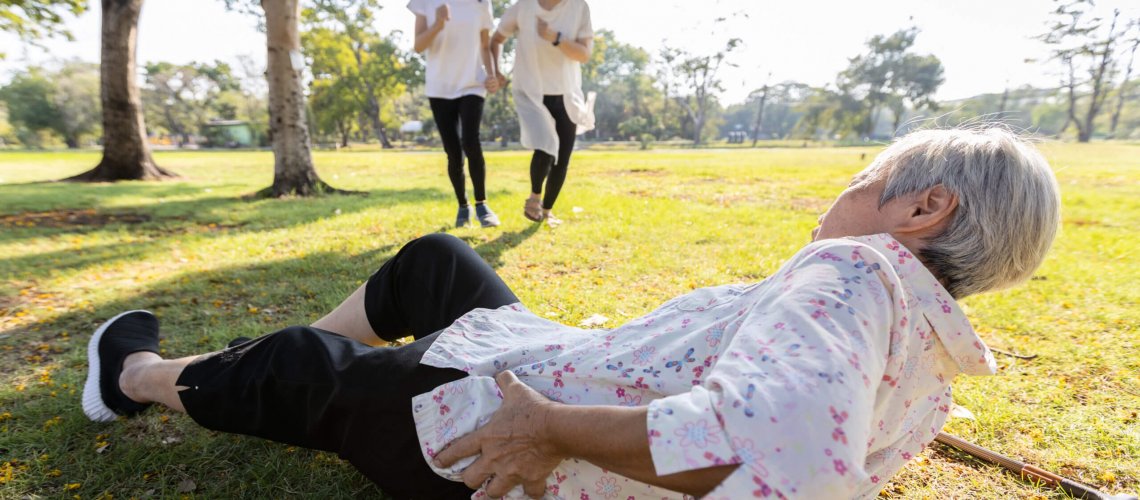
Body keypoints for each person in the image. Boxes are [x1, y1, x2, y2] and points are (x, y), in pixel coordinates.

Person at [82, 128, 1061, 499]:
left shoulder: (854, 270)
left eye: (869, 176)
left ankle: (129, 379)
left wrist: (547, 427)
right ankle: (245, 369)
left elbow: (782, 458)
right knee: (440, 262)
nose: (845, 192)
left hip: (507, 435)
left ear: (926, 208)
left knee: (304, 369)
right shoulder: (927, 344)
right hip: (551, 363)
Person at [490, 0, 595, 227]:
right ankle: (534, 198)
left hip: (566, 93)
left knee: (562, 158)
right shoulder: (523, 7)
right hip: (531, 91)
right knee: (546, 145)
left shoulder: (579, 7)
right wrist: (496, 71)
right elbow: (496, 39)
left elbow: (584, 54)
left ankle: (546, 211)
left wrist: (556, 38)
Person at [411, 0, 501, 228]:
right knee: (453, 152)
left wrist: (491, 74)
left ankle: (482, 204)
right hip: (439, 86)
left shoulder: (482, 3)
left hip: (472, 82)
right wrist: (438, 24)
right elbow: (419, 45)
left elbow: (484, 45)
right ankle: (463, 206)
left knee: (471, 141)